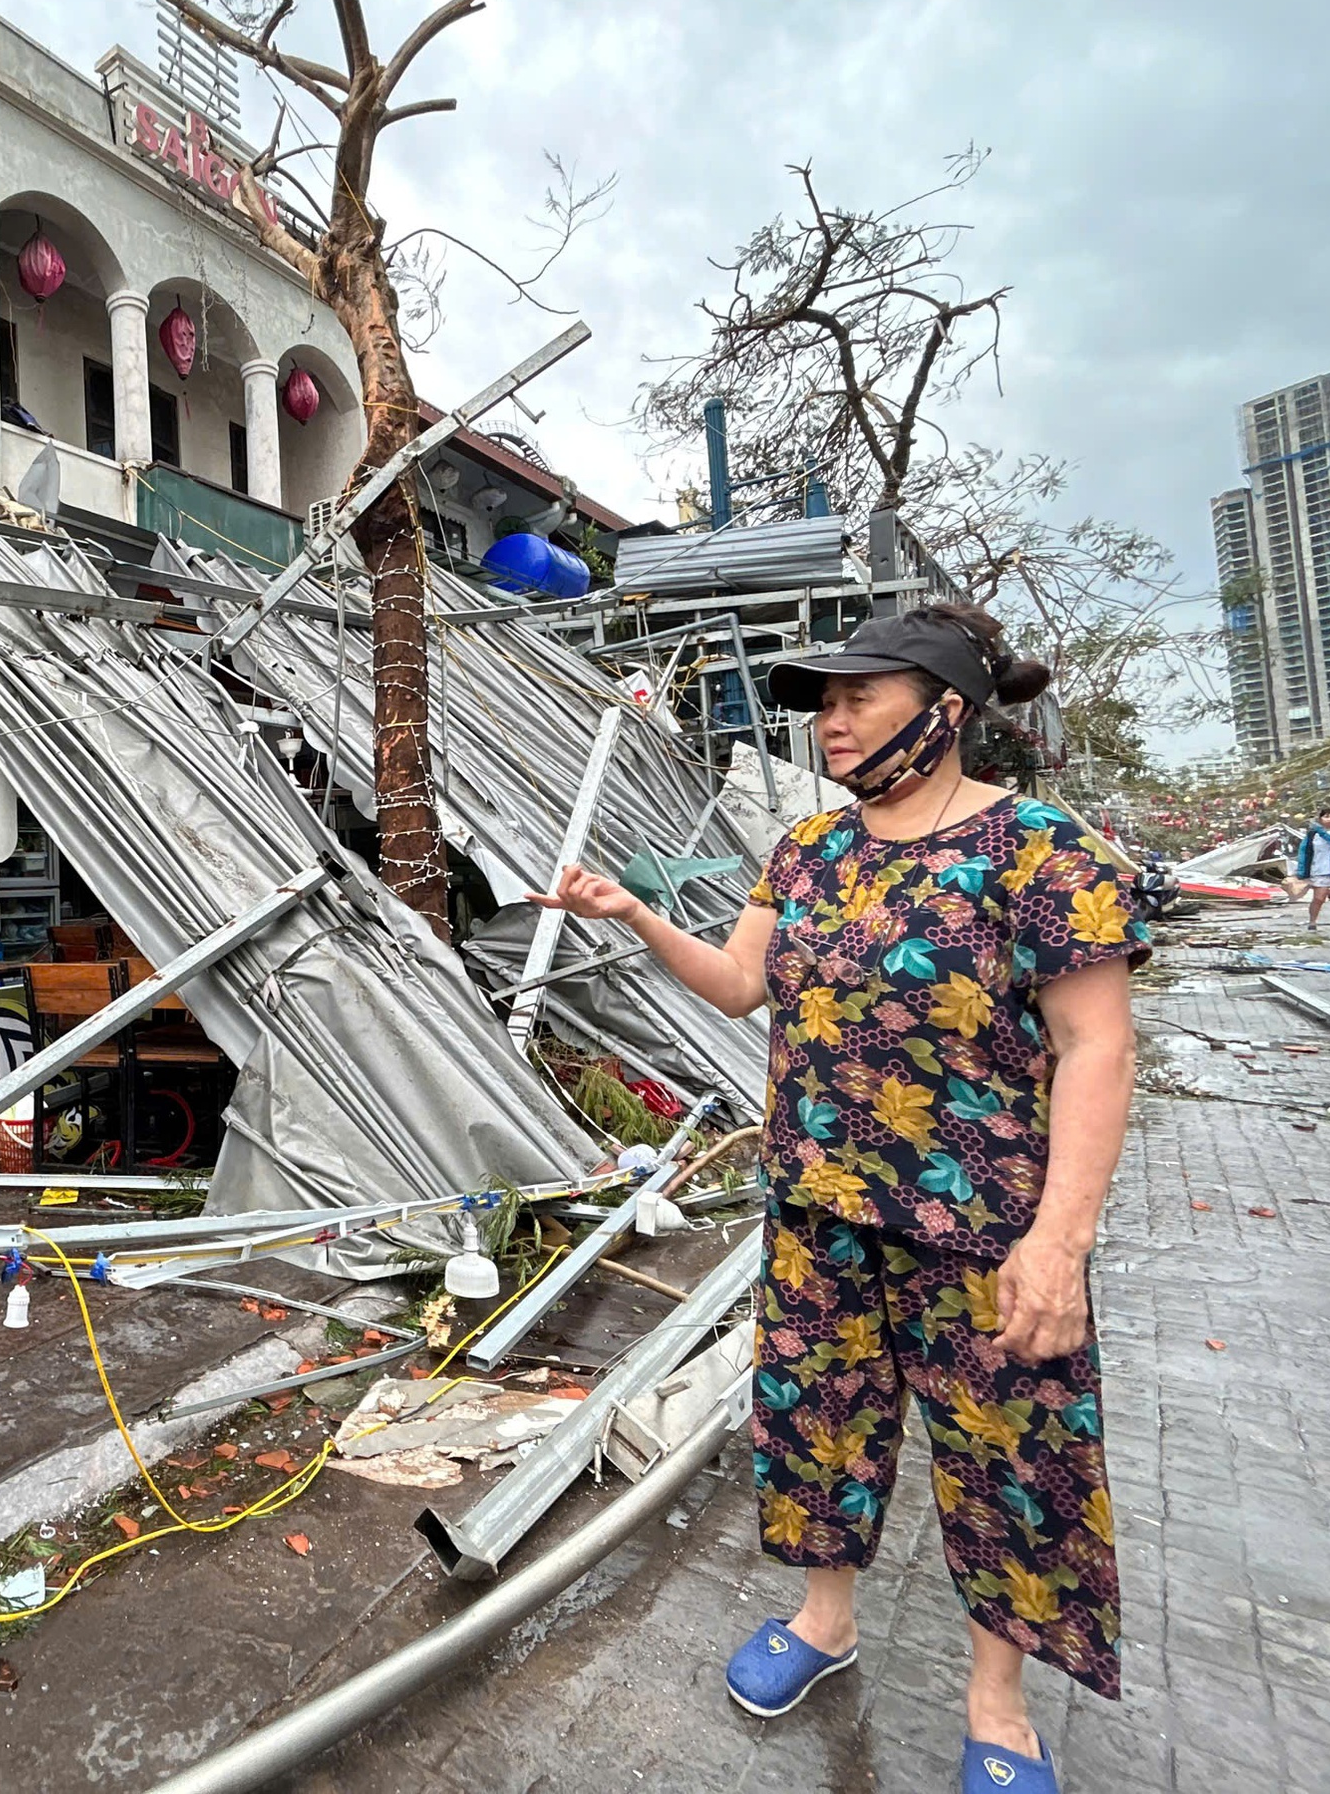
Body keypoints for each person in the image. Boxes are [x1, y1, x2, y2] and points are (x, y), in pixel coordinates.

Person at [532, 603, 1147, 1794]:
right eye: (825, 699)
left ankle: (996, 1703)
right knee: (817, 1434)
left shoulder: (1040, 852)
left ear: (946, 710)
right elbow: (738, 986)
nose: (834, 718)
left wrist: (1060, 1242)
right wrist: (637, 914)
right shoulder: (807, 854)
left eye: (861, 694)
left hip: (983, 1230)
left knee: (1008, 1461)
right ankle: (823, 1624)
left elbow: (1095, 1049)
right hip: (817, 1215)